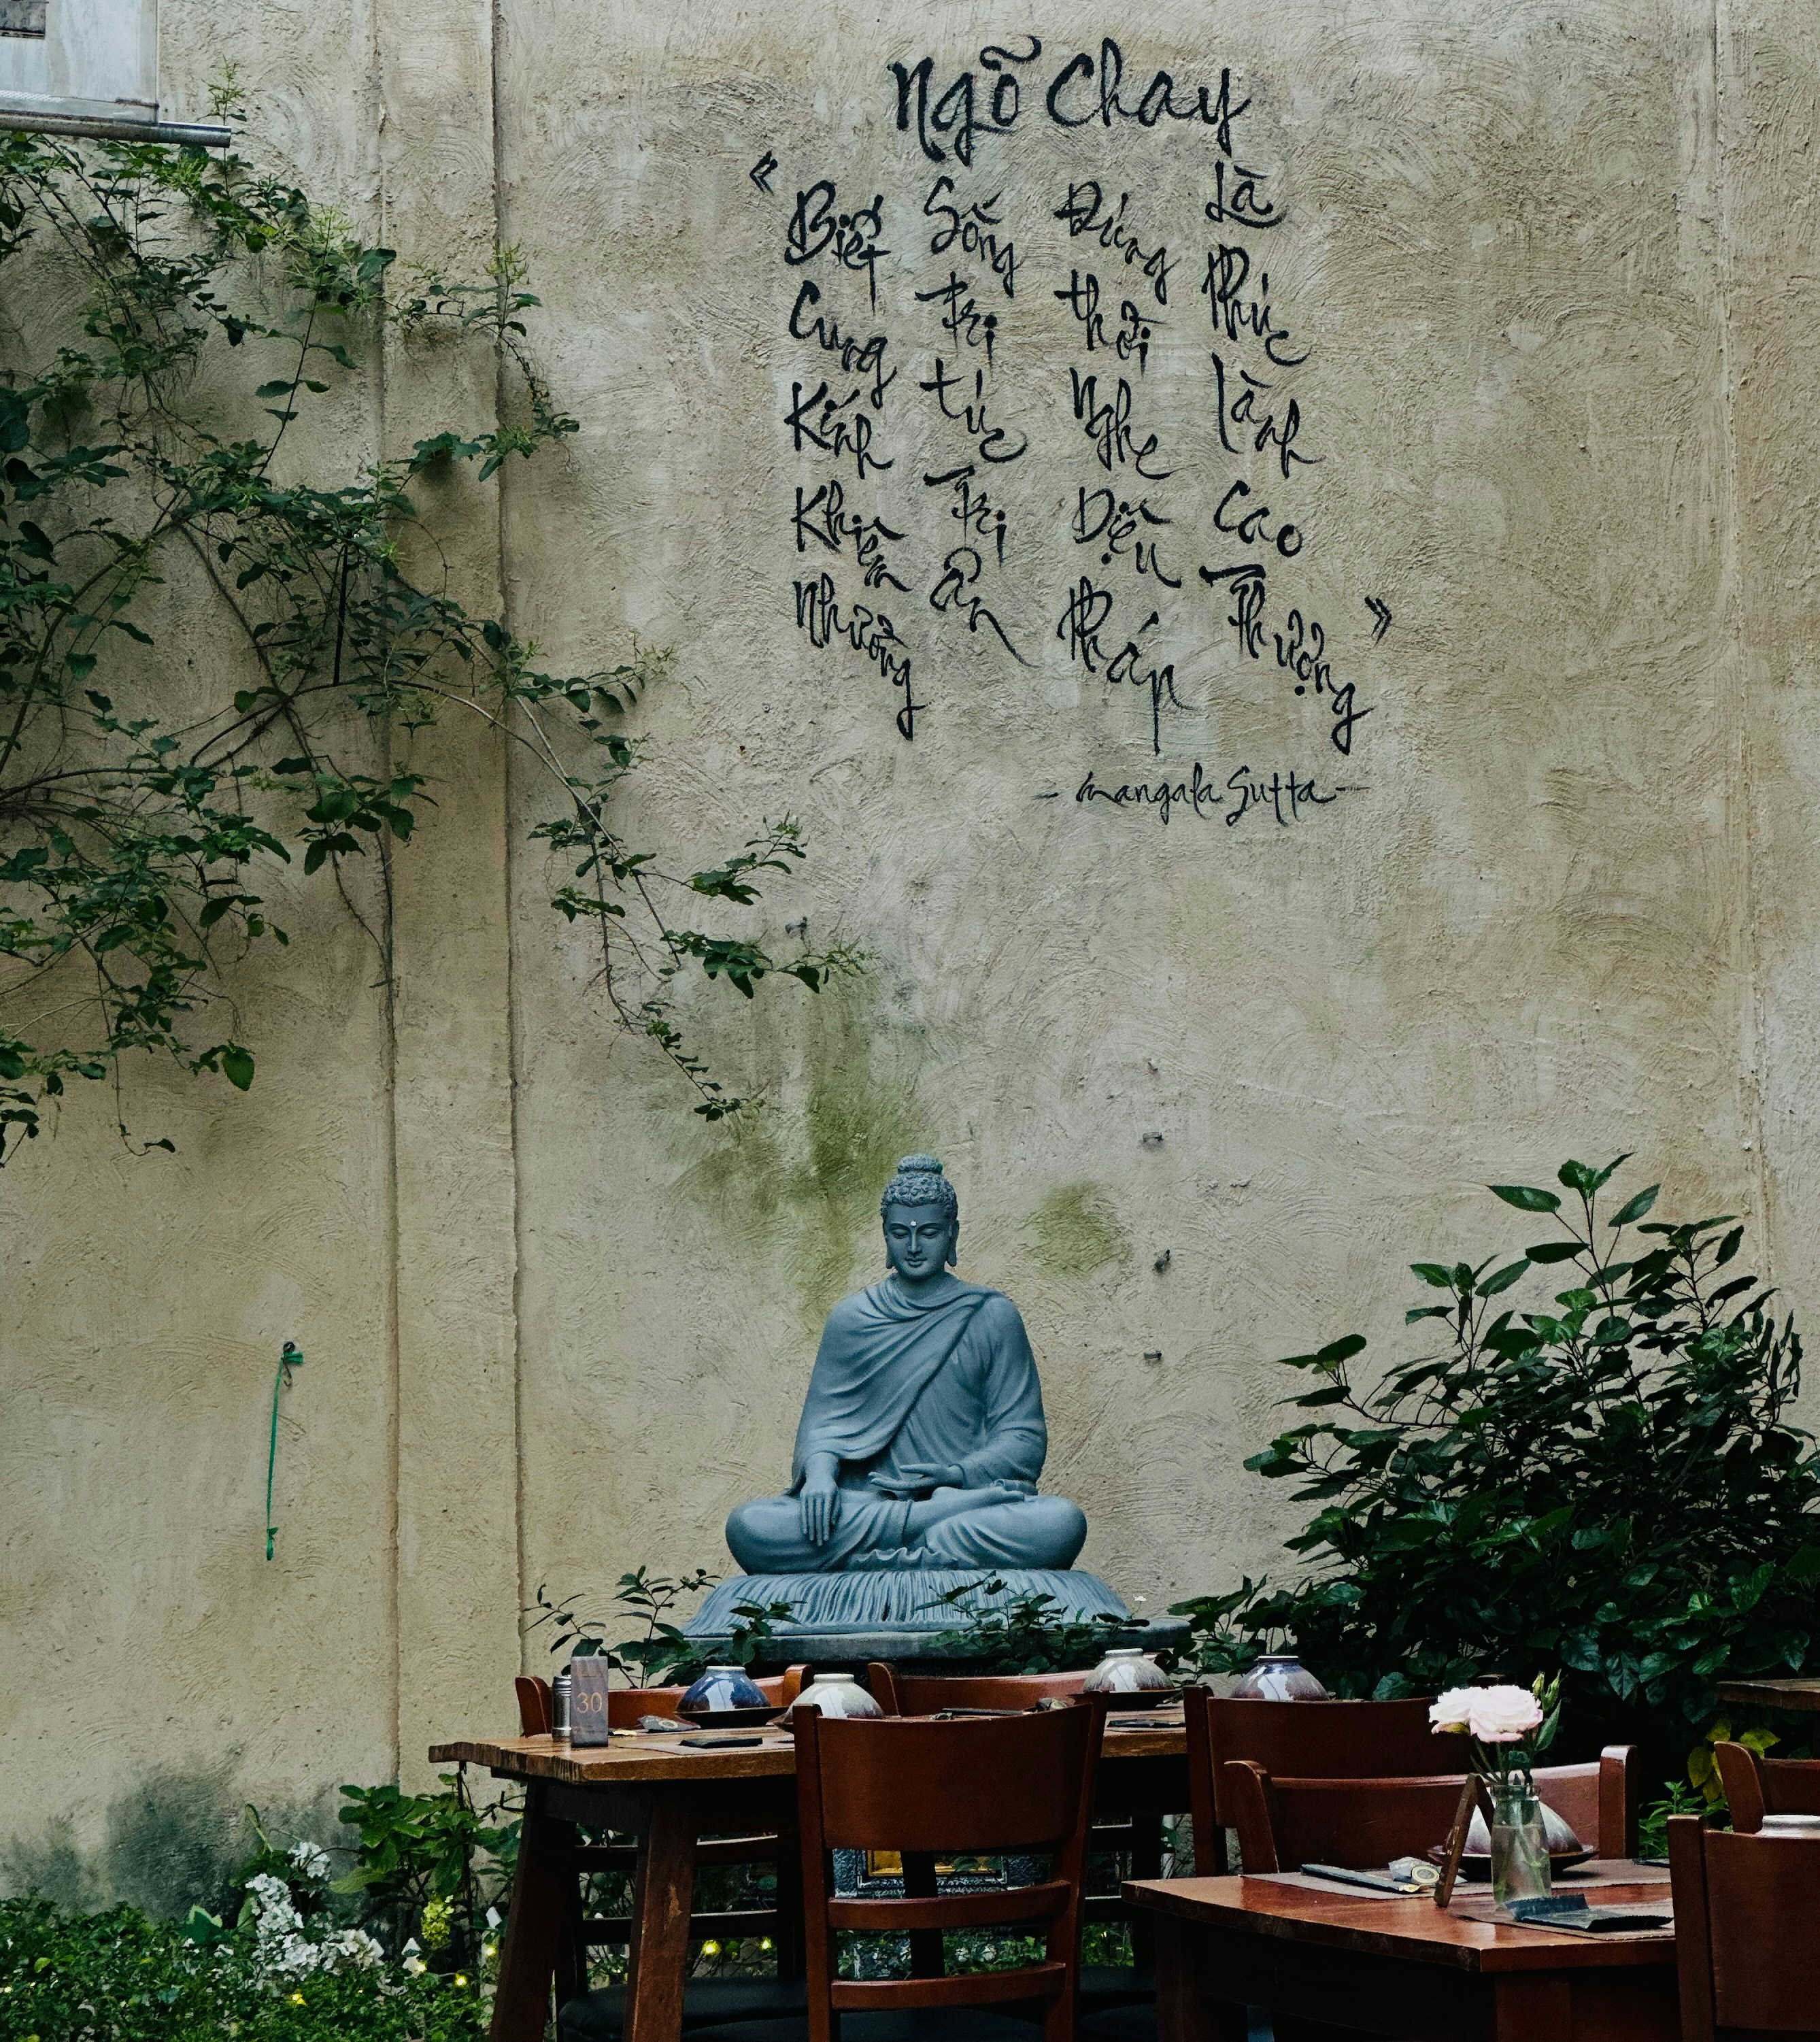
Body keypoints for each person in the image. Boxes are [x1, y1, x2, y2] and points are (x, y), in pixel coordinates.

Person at [724, 1156, 1088, 1573]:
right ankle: (925, 1532)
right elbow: (822, 1428)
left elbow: (1022, 1439)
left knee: (1059, 1523)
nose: (914, 1247)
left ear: (952, 1234)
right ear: (885, 1236)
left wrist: (953, 1475)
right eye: (901, 1233)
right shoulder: (853, 1319)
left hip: (958, 1501)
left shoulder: (991, 1315)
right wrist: (822, 1478)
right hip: (870, 1503)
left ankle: (918, 1531)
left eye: (929, 1233)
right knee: (750, 1525)